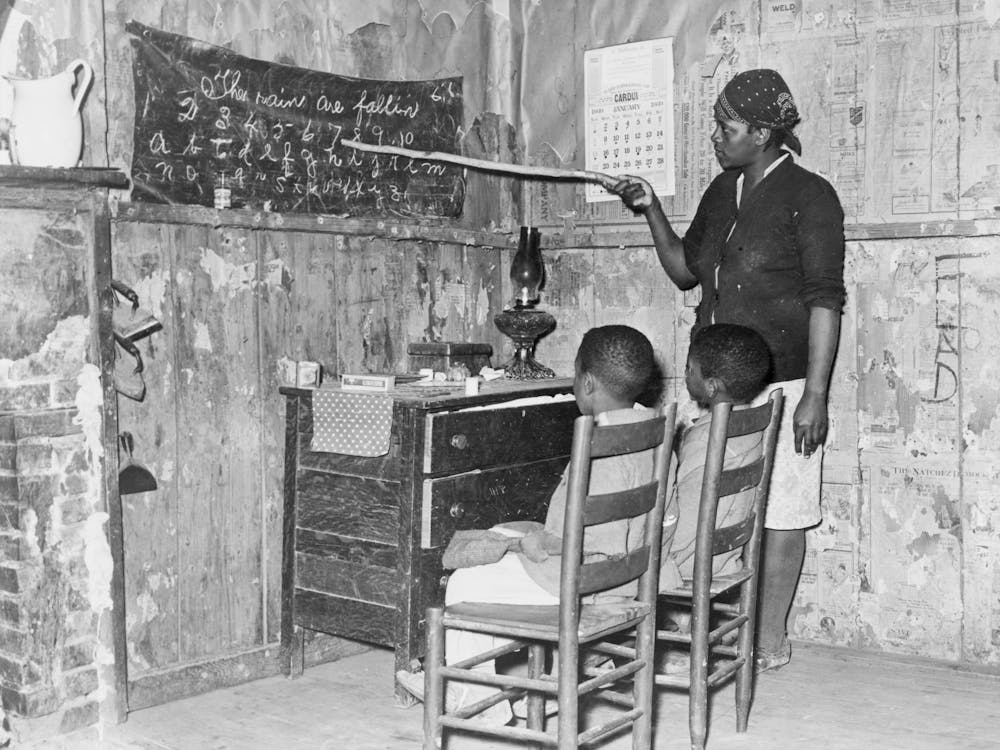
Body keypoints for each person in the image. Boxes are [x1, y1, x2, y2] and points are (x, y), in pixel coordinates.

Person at [611, 68, 846, 672]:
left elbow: (825, 300)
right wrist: (650, 208)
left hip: (784, 385)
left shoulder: (810, 195)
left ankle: (768, 639)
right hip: (716, 385)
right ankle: (705, 628)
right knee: (708, 508)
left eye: (727, 127)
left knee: (782, 513)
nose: (716, 137)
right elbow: (685, 272)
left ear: (763, 133)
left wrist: (814, 395)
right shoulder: (723, 191)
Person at [396, 324, 661, 724]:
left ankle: (473, 697)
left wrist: (536, 544)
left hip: (581, 580)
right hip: (628, 575)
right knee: (508, 536)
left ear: (587, 383)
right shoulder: (654, 431)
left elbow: (587, 542)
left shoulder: (598, 445)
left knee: (466, 583)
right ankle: (548, 684)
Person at [660, 323, 772, 591]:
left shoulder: (706, 439)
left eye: (689, 369)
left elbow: (684, 525)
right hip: (725, 559)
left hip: (688, 565)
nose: (685, 375)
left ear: (711, 386)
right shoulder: (752, 426)